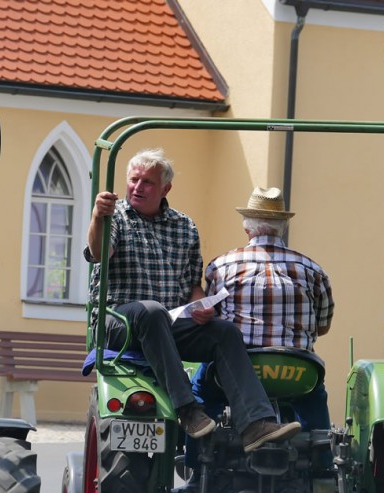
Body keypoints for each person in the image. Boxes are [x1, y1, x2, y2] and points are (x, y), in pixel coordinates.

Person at [86, 149, 300, 451]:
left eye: (147, 182)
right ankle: (187, 410)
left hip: (166, 324)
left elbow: (191, 285)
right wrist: (98, 216)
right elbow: (98, 253)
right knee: (151, 311)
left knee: (224, 332)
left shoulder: (184, 226)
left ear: (165, 189)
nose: (138, 187)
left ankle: (255, 423)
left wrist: (203, 305)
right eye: (133, 180)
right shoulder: (115, 217)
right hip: (119, 324)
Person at [204, 186, 335, 430]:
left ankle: (195, 459)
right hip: (297, 370)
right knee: (315, 398)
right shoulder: (313, 270)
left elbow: (212, 318)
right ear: (283, 227)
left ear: (247, 227)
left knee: (202, 388)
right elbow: (323, 325)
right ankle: (322, 458)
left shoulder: (220, 266)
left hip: (242, 366)